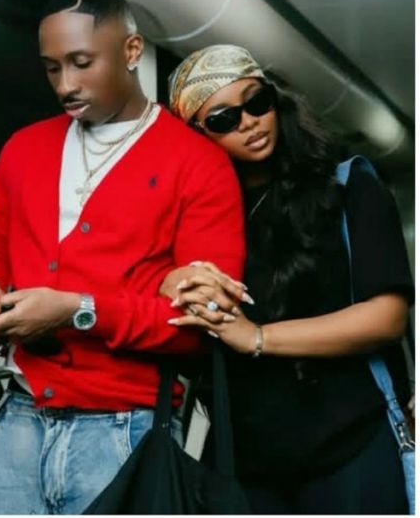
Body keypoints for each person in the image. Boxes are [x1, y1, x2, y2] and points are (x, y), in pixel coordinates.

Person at [0, 0, 249, 515]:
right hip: (18, 419)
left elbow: (204, 329)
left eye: (82, 63)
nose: (66, 85)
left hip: (123, 430)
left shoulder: (198, 164)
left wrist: (79, 311)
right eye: (51, 68)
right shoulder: (23, 150)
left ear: (131, 52)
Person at [164, 44, 413, 514]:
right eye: (223, 119)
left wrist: (257, 336)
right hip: (243, 461)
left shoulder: (349, 185)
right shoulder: (192, 222)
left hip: (351, 445)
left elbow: (387, 318)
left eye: (257, 102)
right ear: (197, 136)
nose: (249, 122)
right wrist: (170, 282)